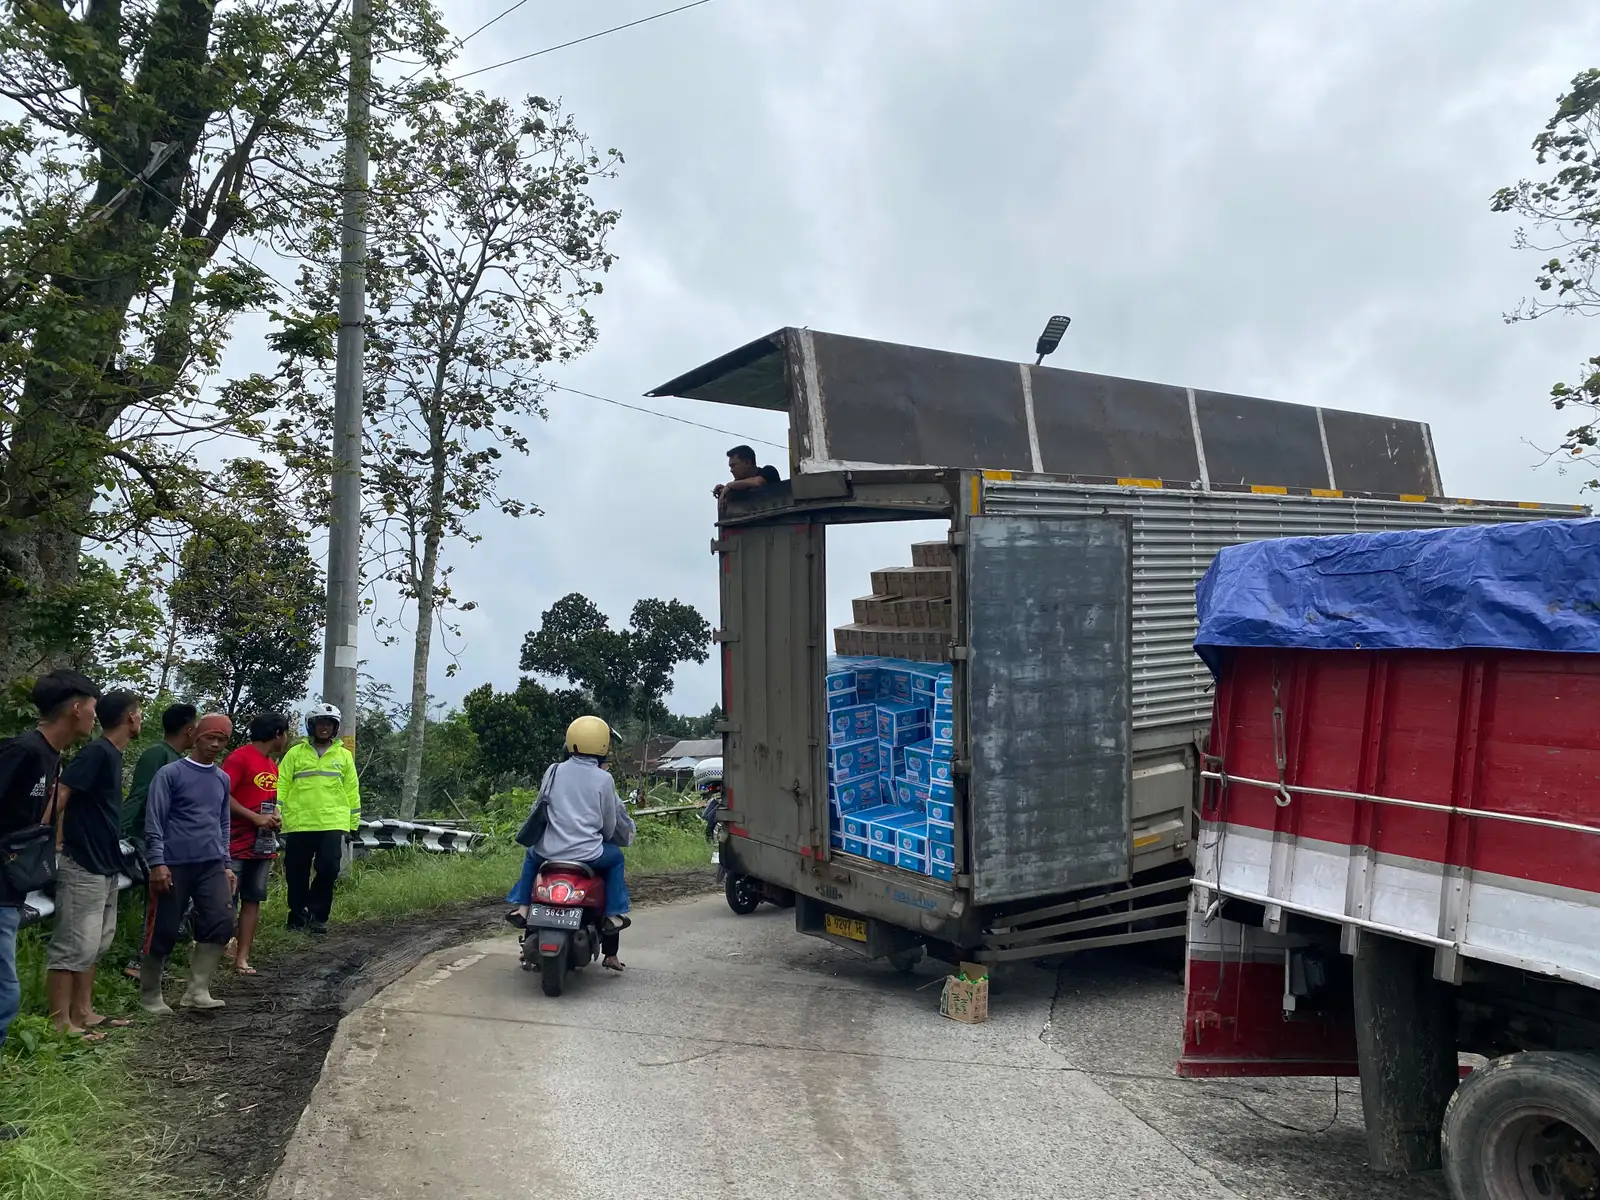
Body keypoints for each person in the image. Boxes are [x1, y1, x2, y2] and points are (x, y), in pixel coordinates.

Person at [0, 670, 99, 1136]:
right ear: (75, 707)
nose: (96, 714)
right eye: (92, 705)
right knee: (5, 996)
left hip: (10, 893)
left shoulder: (52, 757)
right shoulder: (23, 752)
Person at [505, 716, 634, 972]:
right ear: (602, 745)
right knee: (616, 859)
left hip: (548, 851)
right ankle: (612, 914)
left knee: (531, 857)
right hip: (589, 853)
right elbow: (609, 825)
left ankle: (522, 907)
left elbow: (540, 805)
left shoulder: (553, 770)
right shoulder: (603, 779)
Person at [48, 689, 141, 1036]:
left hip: (106, 863)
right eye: (139, 713)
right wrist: (47, 839)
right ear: (130, 717)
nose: (141, 718)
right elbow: (63, 793)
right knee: (72, 945)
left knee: (96, 944)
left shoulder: (114, 755)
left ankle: (83, 1012)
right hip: (82, 862)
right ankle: (60, 1023)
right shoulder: (97, 752)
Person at [140, 713, 237, 1014]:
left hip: (210, 863)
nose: (215, 744)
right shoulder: (170, 774)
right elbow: (154, 819)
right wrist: (157, 862)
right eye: (210, 737)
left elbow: (223, 823)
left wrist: (226, 863)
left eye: (222, 740)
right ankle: (150, 995)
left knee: (222, 920)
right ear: (196, 736)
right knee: (165, 928)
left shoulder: (222, 778)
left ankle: (197, 991)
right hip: (174, 862)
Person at [120, 702, 198, 979]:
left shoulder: (180, 760)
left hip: (173, 842)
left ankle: (155, 962)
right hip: (147, 838)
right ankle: (141, 964)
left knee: (177, 903)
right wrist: (120, 833)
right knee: (160, 899)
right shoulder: (157, 754)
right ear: (189, 730)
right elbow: (139, 795)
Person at [277, 703, 360, 935]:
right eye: (320, 723)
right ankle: (297, 916)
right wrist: (277, 811)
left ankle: (317, 915)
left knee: (329, 869)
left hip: (332, 822)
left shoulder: (344, 756)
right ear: (311, 726)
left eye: (329, 724)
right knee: (296, 872)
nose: (324, 728)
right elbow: (282, 783)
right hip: (299, 822)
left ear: (335, 728)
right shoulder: (295, 753)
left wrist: (353, 824)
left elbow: (352, 790)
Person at [222, 713, 288, 974]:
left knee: (253, 901)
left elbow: (267, 801)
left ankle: (241, 958)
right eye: (285, 734)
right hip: (234, 843)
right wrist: (254, 818)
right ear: (277, 734)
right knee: (226, 900)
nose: (286, 739)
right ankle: (214, 951)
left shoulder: (272, 765)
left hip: (262, 845)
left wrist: (273, 818)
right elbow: (221, 794)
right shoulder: (239, 758)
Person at [712, 444, 782, 507]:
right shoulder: (739, 484)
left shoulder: (768, 470)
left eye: (733, 466)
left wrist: (729, 486)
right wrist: (724, 490)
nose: (731, 470)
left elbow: (758, 482)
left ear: (747, 462)